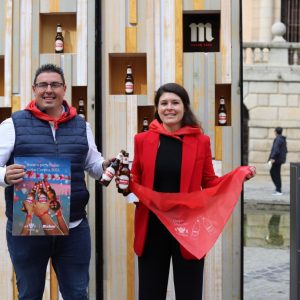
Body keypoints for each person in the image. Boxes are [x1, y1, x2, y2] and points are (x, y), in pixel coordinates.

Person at [128, 83, 256, 300]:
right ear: (157, 108)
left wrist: (238, 175)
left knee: (189, 293)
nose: (170, 108)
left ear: (184, 107)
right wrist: (124, 182)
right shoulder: (142, 140)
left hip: (188, 229)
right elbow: (135, 178)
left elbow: (209, 182)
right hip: (152, 226)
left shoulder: (201, 141)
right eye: (164, 103)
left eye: (175, 103)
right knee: (150, 293)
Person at [0, 64, 110, 299]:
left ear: (64, 89)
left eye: (55, 85)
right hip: (27, 230)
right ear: (34, 89)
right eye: (43, 85)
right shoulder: (12, 125)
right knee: (30, 294)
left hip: (74, 228)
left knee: (77, 293)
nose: (49, 90)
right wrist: (4, 175)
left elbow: (93, 164)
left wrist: (106, 167)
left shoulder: (82, 125)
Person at [268, 127, 287, 196]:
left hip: (276, 160)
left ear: (276, 132)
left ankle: (278, 190)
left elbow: (276, 149)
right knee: (276, 173)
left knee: (274, 173)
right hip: (279, 159)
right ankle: (278, 189)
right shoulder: (282, 139)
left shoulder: (278, 139)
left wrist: (272, 158)